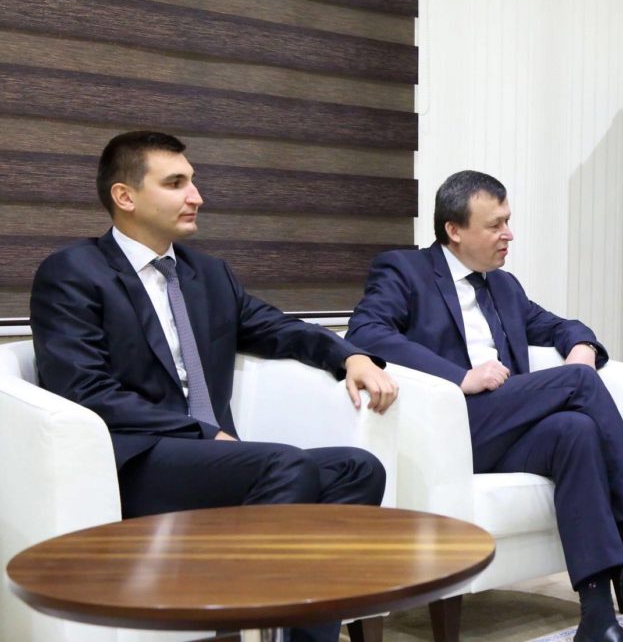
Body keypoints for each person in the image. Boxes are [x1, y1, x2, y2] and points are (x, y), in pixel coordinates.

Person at [31, 130, 399, 642]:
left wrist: (349, 355)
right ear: (125, 196)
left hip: (210, 459)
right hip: (136, 461)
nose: (197, 196)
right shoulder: (73, 272)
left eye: (193, 181)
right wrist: (202, 434)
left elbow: (277, 328)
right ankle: (232, 623)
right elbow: (85, 388)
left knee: (357, 469)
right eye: (176, 183)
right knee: (285, 464)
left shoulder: (207, 274)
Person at [346, 170, 623, 642]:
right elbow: (366, 332)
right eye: (495, 225)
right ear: (454, 229)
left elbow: (560, 326)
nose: (508, 234)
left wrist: (583, 347)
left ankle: (596, 617)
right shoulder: (404, 271)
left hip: (504, 428)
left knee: (576, 431)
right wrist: (461, 378)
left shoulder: (503, 286)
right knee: (578, 384)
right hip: (451, 430)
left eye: (508, 221)